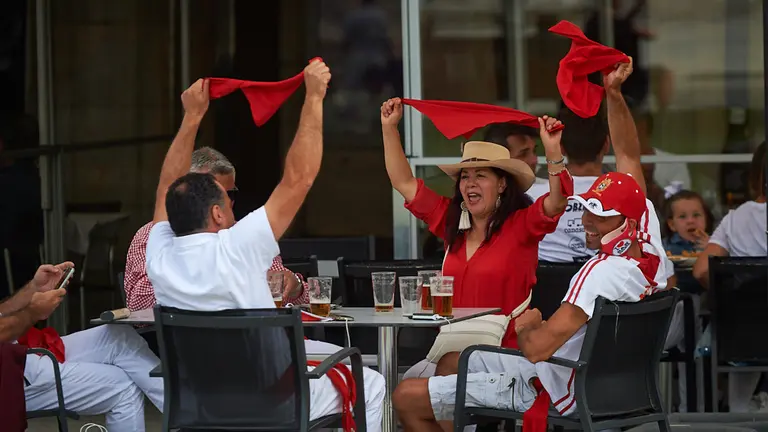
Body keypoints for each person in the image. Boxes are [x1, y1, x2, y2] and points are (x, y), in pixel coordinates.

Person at [144, 61, 385, 430]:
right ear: (217, 214)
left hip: (202, 404)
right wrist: (314, 97)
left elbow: (166, 188)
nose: (234, 209)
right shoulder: (237, 247)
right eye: (229, 202)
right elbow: (299, 179)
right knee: (372, 383)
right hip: (272, 402)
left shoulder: (159, 253)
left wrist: (192, 117)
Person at [392, 160, 672, 432]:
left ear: (630, 225)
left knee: (406, 396)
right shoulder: (652, 269)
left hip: (555, 388)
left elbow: (537, 349)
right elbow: (644, 215)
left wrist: (529, 325)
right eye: (587, 209)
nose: (586, 220)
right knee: (452, 361)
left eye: (601, 215)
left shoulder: (598, 273)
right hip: (609, 387)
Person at [381, 97, 570, 379]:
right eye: (465, 176)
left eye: (481, 175)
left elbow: (556, 203)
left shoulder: (521, 224)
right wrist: (389, 128)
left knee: (427, 382)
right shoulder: (452, 221)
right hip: (451, 349)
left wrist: (553, 151)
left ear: (503, 184)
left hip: (506, 356)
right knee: (402, 391)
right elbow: (404, 183)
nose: (470, 183)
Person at [124, 146, 309, 313]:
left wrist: (295, 285)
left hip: (248, 340)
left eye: (231, 194)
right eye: (215, 194)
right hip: (168, 345)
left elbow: (290, 289)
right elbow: (137, 304)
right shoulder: (154, 234)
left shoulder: (242, 232)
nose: (227, 202)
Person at [3, 263, 163, 432]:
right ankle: (188, 418)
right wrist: (32, 312)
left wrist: (34, 288)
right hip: (10, 374)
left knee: (119, 336)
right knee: (123, 386)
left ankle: (184, 413)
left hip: (18, 349)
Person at [693, 141, 767, 413]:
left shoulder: (736, 219)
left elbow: (701, 270)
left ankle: (739, 411)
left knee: (746, 324)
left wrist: (731, 298)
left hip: (744, 336)